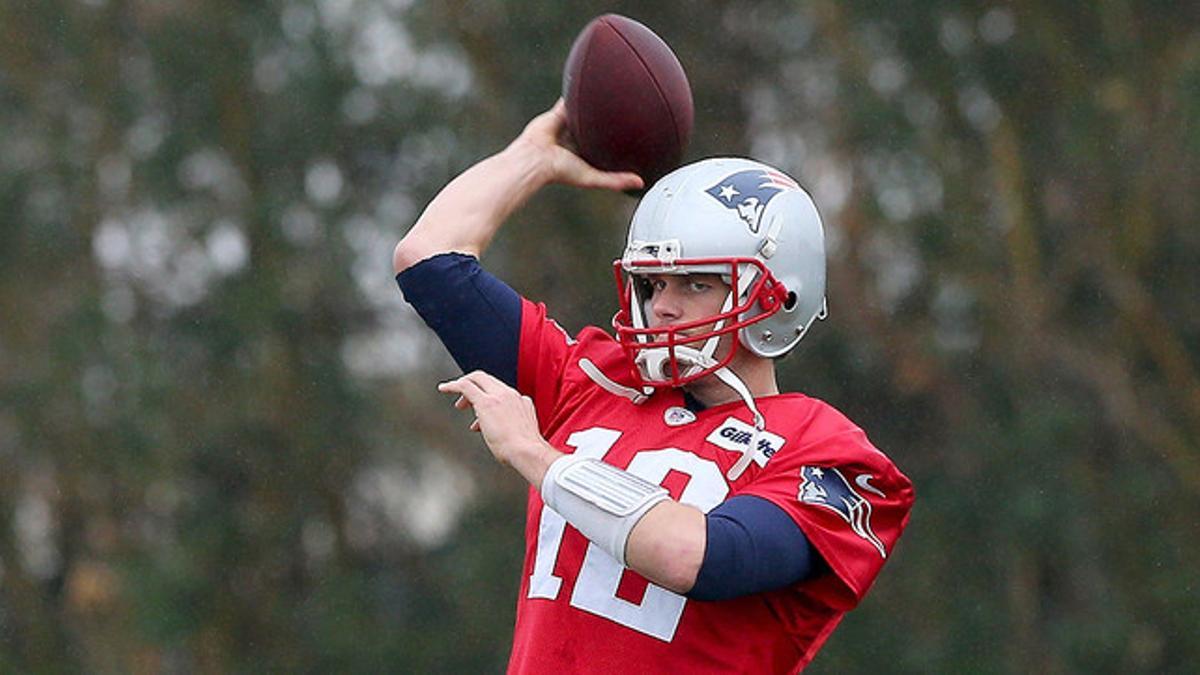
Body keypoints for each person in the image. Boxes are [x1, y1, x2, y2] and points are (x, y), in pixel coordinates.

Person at [393, 100, 914, 673]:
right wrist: (531, 160)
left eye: (693, 283)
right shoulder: (595, 379)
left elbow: (696, 557)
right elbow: (429, 261)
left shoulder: (828, 454)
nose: (663, 306)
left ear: (777, 297)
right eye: (654, 282)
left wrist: (540, 457)